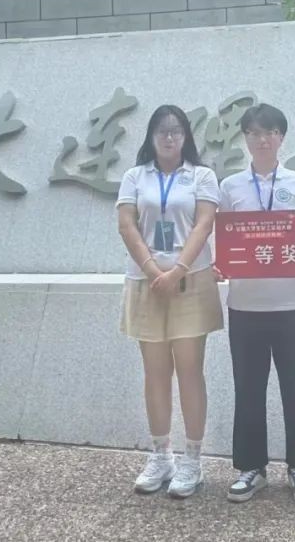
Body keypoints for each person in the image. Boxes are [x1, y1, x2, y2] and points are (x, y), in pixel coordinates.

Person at [217, 104, 295, 505]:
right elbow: (226, 240)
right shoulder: (231, 186)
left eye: (271, 132)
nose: (263, 139)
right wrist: (221, 265)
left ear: (281, 138)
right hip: (245, 306)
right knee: (248, 389)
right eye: (255, 133)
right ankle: (251, 468)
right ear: (245, 138)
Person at [116, 105, 223, 498]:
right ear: (151, 135)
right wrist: (151, 269)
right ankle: (161, 455)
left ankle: (192, 459)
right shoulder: (135, 176)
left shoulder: (202, 176)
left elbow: (205, 224)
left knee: (190, 370)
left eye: (176, 130)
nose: (169, 137)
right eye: (162, 130)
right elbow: (127, 224)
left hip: (190, 281)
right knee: (155, 372)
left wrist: (177, 270)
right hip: (146, 283)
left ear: (186, 136)